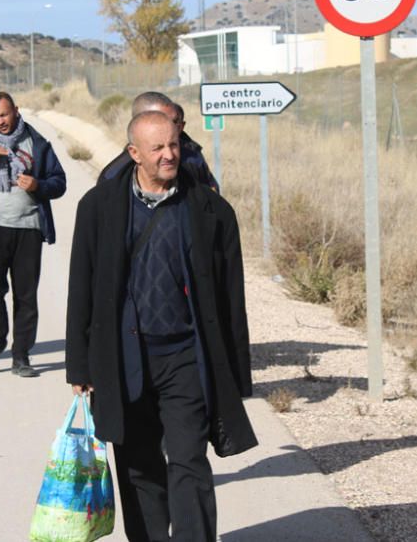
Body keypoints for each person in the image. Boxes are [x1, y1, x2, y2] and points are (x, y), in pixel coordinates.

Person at [66, 110, 256, 541]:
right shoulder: (99, 208)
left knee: (189, 461)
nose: (170, 154)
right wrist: (80, 366)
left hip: (185, 357)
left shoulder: (210, 210)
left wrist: (236, 372)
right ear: (134, 153)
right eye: (158, 148)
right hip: (123, 359)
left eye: (174, 144)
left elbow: (231, 299)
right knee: (138, 467)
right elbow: (82, 288)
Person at [0, 92, 66, 377]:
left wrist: (38, 185)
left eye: (4, 115)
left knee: (26, 295)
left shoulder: (38, 143)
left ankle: (21, 356)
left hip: (28, 228)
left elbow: (59, 182)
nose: (0, 121)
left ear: (16, 111)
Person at [98, 91, 219, 192]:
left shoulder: (192, 159)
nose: (174, 127)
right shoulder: (113, 176)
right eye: (163, 121)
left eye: (176, 121)